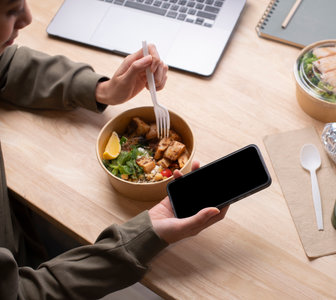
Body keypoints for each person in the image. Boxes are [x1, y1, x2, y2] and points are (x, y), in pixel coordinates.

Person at [0, 1, 228, 299]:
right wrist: (145, 236)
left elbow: (5, 66)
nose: (28, 18)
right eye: (9, 9)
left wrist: (101, 89)